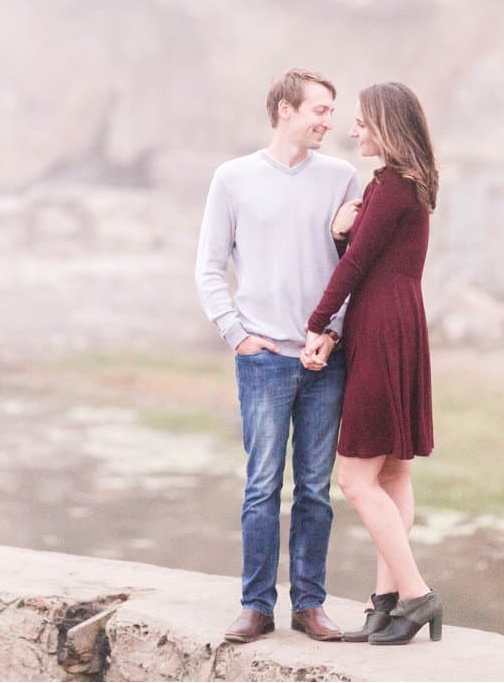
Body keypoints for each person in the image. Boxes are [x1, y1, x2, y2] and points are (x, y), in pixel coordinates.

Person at [195, 68, 362, 643]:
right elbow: (210, 266)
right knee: (263, 483)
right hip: (262, 358)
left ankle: (310, 605)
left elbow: (352, 268)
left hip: (324, 360)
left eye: (331, 111)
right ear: (285, 110)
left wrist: (333, 333)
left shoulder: (343, 178)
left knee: (315, 488)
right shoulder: (233, 178)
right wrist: (236, 334)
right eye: (319, 109)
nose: (328, 121)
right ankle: (256, 606)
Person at [303, 82, 443, 646]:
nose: (352, 130)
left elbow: (360, 264)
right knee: (393, 471)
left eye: (360, 122)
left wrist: (317, 322)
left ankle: (415, 595)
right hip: (401, 319)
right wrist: (342, 231)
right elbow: (371, 256)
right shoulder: (410, 184)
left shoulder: (389, 186)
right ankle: (384, 603)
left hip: (382, 325)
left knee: (355, 478)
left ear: (385, 124)